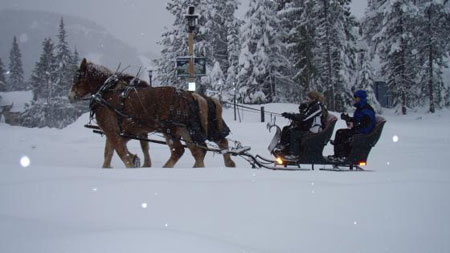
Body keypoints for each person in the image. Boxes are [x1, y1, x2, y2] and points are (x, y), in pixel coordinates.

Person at [277, 91, 326, 160]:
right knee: (287, 129)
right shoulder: (311, 106)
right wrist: (291, 115)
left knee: (294, 133)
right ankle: (284, 148)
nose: (306, 100)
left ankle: (295, 154)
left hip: (314, 128)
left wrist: (292, 116)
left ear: (313, 99)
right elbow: (302, 115)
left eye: (308, 99)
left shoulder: (317, 107)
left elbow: (305, 118)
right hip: (307, 126)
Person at [330, 89, 376, 161]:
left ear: (361, 98)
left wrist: (355, 124)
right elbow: (358, 120)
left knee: (343, 134)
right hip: (359, 130)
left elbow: (366, 122)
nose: (355, 99)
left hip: (363, 132)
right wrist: (348, 119)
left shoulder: (367, 109)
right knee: (340, 132)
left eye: (356, 98)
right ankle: (338, 155)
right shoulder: (360, 108)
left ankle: (342, 156)